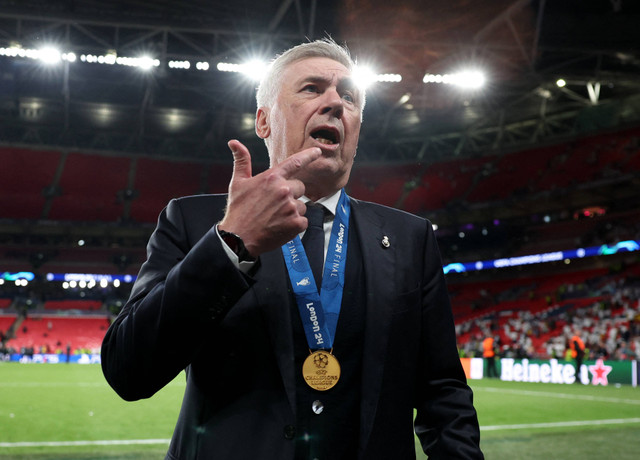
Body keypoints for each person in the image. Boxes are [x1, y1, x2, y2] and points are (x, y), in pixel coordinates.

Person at [101, 38, 483, 460]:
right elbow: (128, 371)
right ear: (264, 122)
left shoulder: (411, 237)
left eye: (349, 97)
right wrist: (232, 243)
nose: (336, 103)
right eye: (312, 89)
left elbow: (442, 391)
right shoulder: (195, 222)